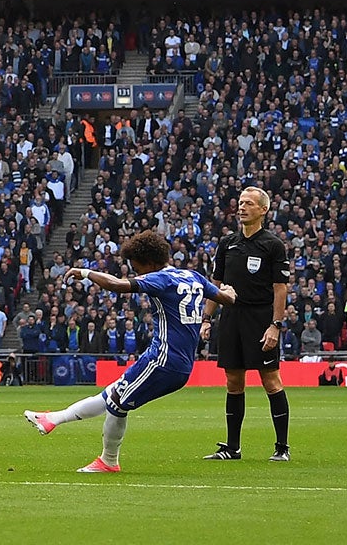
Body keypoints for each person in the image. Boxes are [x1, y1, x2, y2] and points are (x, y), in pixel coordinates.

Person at [24, 229, 235, 473]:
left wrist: (85, 272)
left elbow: (116, 285)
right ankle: (53, 419)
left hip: (164, 361)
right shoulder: (193, 276)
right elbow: (225, 299)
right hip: (169, 359)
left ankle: (108, 461)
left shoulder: (160, 279)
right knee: (110, 394)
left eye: (137, 266)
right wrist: (230, 292)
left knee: (117, 404)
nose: (136, 271)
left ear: (150, 263)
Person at [205, 185, 293, 462]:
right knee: (233, 381)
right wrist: (206, 318)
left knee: (270, 380)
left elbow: (280, 288)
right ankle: (233, 448)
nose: (242, 207)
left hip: (260, 318)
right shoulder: (227, 243)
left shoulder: (273, 245)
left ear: (263, 210)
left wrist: (275, 325)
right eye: (240, 203)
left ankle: (281, 448)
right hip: (231, 317)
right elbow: (215, 285)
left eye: (249, 204)